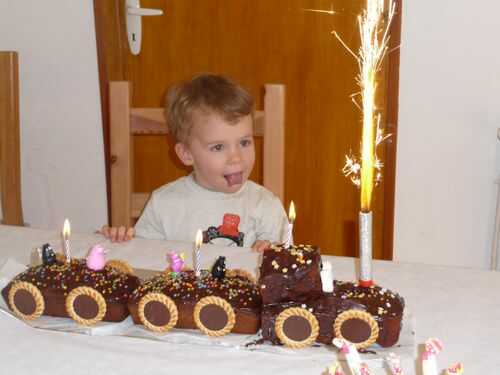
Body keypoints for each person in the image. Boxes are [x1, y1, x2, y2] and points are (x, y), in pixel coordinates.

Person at [100, 74, 288, 252]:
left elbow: (285, 266)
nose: (236, 158)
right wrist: (120, 242)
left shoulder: (266, 206)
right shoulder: (164, 204)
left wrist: (272, 251)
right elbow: (142, 259)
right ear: (186, 154)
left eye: (244, 142)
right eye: (218, 147)